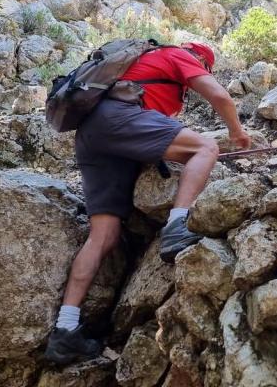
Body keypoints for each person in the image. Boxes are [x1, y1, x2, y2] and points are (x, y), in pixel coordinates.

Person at [44, 41, 251, 365]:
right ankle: (177, 225)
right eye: (205, 68)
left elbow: (147, 132)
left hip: (91, 136)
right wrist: (237, 132)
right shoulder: (179, 55)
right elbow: (220, 96)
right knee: (206, 148)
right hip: (115, 120)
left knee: (103, 236)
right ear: (201, 60)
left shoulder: (141, 67)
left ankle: (64, 332)